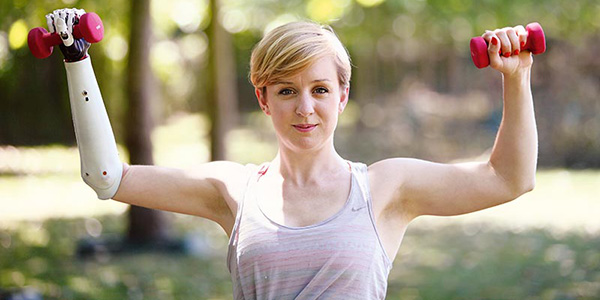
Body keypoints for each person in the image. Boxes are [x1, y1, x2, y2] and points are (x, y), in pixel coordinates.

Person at [49, 8, 537, 300]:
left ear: (342, 96)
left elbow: (509, 178)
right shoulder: (233, 190)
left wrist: (515, 78)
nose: (306, 108)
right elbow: (107, 177)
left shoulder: (386, 188)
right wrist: (77, 58)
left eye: (320, 89)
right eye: (286, 91)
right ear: (263, 99)